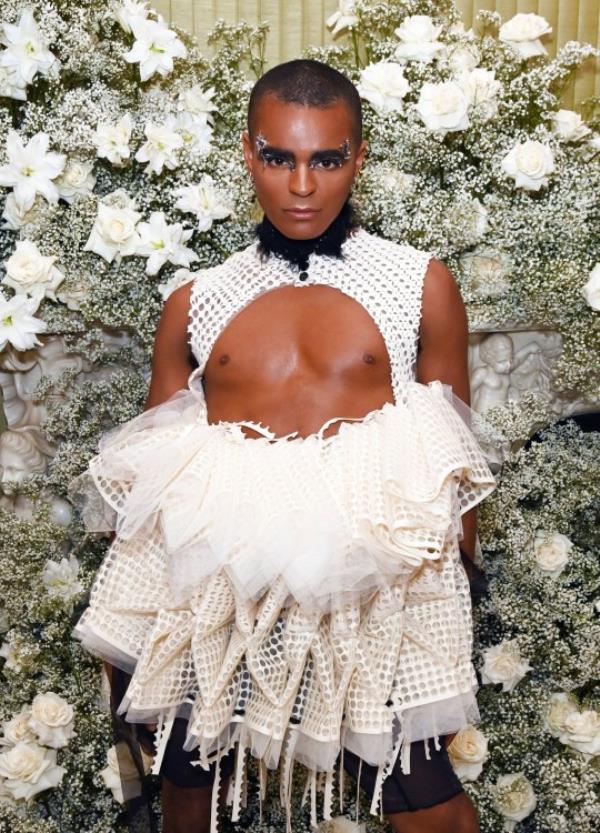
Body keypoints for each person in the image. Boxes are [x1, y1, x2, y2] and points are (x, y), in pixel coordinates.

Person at [70, 60, 497, 833]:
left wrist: (455, 594)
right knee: (189, 792)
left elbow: (454, 456)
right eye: (280, 157)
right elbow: (151, 486)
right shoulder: (196, 300)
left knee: (424, 796)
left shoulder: (418, 282)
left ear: (357, 159)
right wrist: (129, 644)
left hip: (373, 584)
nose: (303, 184)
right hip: (220, 587)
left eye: (326, 159)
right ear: (248, 155)